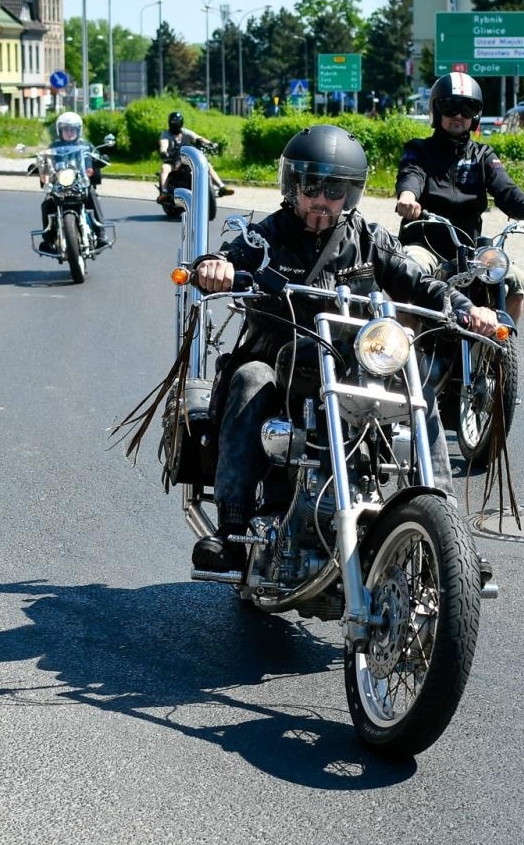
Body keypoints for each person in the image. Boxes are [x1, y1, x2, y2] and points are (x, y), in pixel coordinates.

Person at [189, 124, 499, 572]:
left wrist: (468, 308)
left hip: (352, 362)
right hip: (280, 358)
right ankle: (231, 530)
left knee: (416, 395)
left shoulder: (369, 240)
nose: (321, 197)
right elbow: (223, 260)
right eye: (311, 185)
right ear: (292, 185)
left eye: (334, 188)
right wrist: (212, 267)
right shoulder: (267, 236)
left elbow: (422, 284)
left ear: (350, 193)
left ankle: (451, 541)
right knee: (248, 379)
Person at [393, 73, 524, 326]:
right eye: (450, 106)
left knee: (516, 280)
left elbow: (505, 189)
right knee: (409, 269)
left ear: (475, 115)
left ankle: (501, 356)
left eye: (467, 108)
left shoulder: (482, 154)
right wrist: (408, 198)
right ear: (436, 110)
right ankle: (407, 358)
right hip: (425, 245)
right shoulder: (419, 150)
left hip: (470, 251)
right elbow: (411, 175)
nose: (458, 115)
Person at [40, 111, 110, 249]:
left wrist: (101, 159)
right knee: (47, 203)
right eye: (66, 129)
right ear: (59, 130)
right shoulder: (54, 147)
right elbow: (45, 160)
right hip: (59, 185)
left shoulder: (86, 145)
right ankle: (47, 239)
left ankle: (101, 233)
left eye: (72, 129)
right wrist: (39, 164)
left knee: (92, 196)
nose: (69, 132)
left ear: (79, 130)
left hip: (80, 183)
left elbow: (94, 156)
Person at [156, 110, 233, 202]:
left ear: (181, 123)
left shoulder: (185, 132)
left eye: (176, 123)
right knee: (165, 168)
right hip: (171, 160)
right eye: (173, 123)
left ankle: (221, 187)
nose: (175, 125)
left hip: (186, 158)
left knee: (206, 165)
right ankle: (164, 192)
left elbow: (198, 138)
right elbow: (163, 144)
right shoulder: (165, 134)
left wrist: (210, 144)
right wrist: (164, 151)